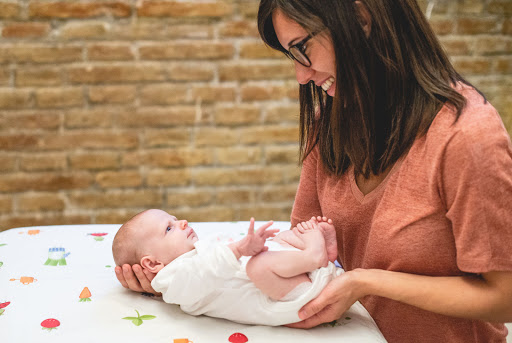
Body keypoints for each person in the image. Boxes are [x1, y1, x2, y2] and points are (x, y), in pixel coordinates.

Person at [116, 0, 512, 341]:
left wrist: (364, 282)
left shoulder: (467, 136)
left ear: (361, 18)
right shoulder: (334, 122)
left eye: (302, 48)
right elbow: (294, 246)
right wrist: (179, 277)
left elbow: (505, 297)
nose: (301, 75)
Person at [112, 209, 345, 326]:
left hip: (290, 280)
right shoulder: (172, 281)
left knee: (280, 237)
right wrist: (239, 250)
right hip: (294, 299)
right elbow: (206, 272)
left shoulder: (199, 249)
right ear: (152, 263)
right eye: (169, 228)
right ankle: (314, 256)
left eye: (175, 218)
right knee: (259, 265)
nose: (182, 222)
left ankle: (322, 257)